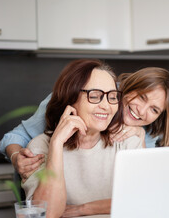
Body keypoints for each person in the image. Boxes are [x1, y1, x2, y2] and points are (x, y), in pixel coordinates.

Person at [0, 63, 169, 182]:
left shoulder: (145, 133)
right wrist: (16, 158)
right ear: (128, 88)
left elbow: (142, 189)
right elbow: (16, 137)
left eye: (154, 109)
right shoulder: (75, 96)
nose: (141, 111)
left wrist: (140, 140)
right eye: (141, 97)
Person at [22, 59, 143, 218]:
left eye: (112, 97)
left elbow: (141, 203)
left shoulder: (128, 141)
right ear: (70, 97)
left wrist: (84, 209)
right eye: (95, 95)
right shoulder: (40, 147)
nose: (106, 106)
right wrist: (56, 145)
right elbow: (47, 214)